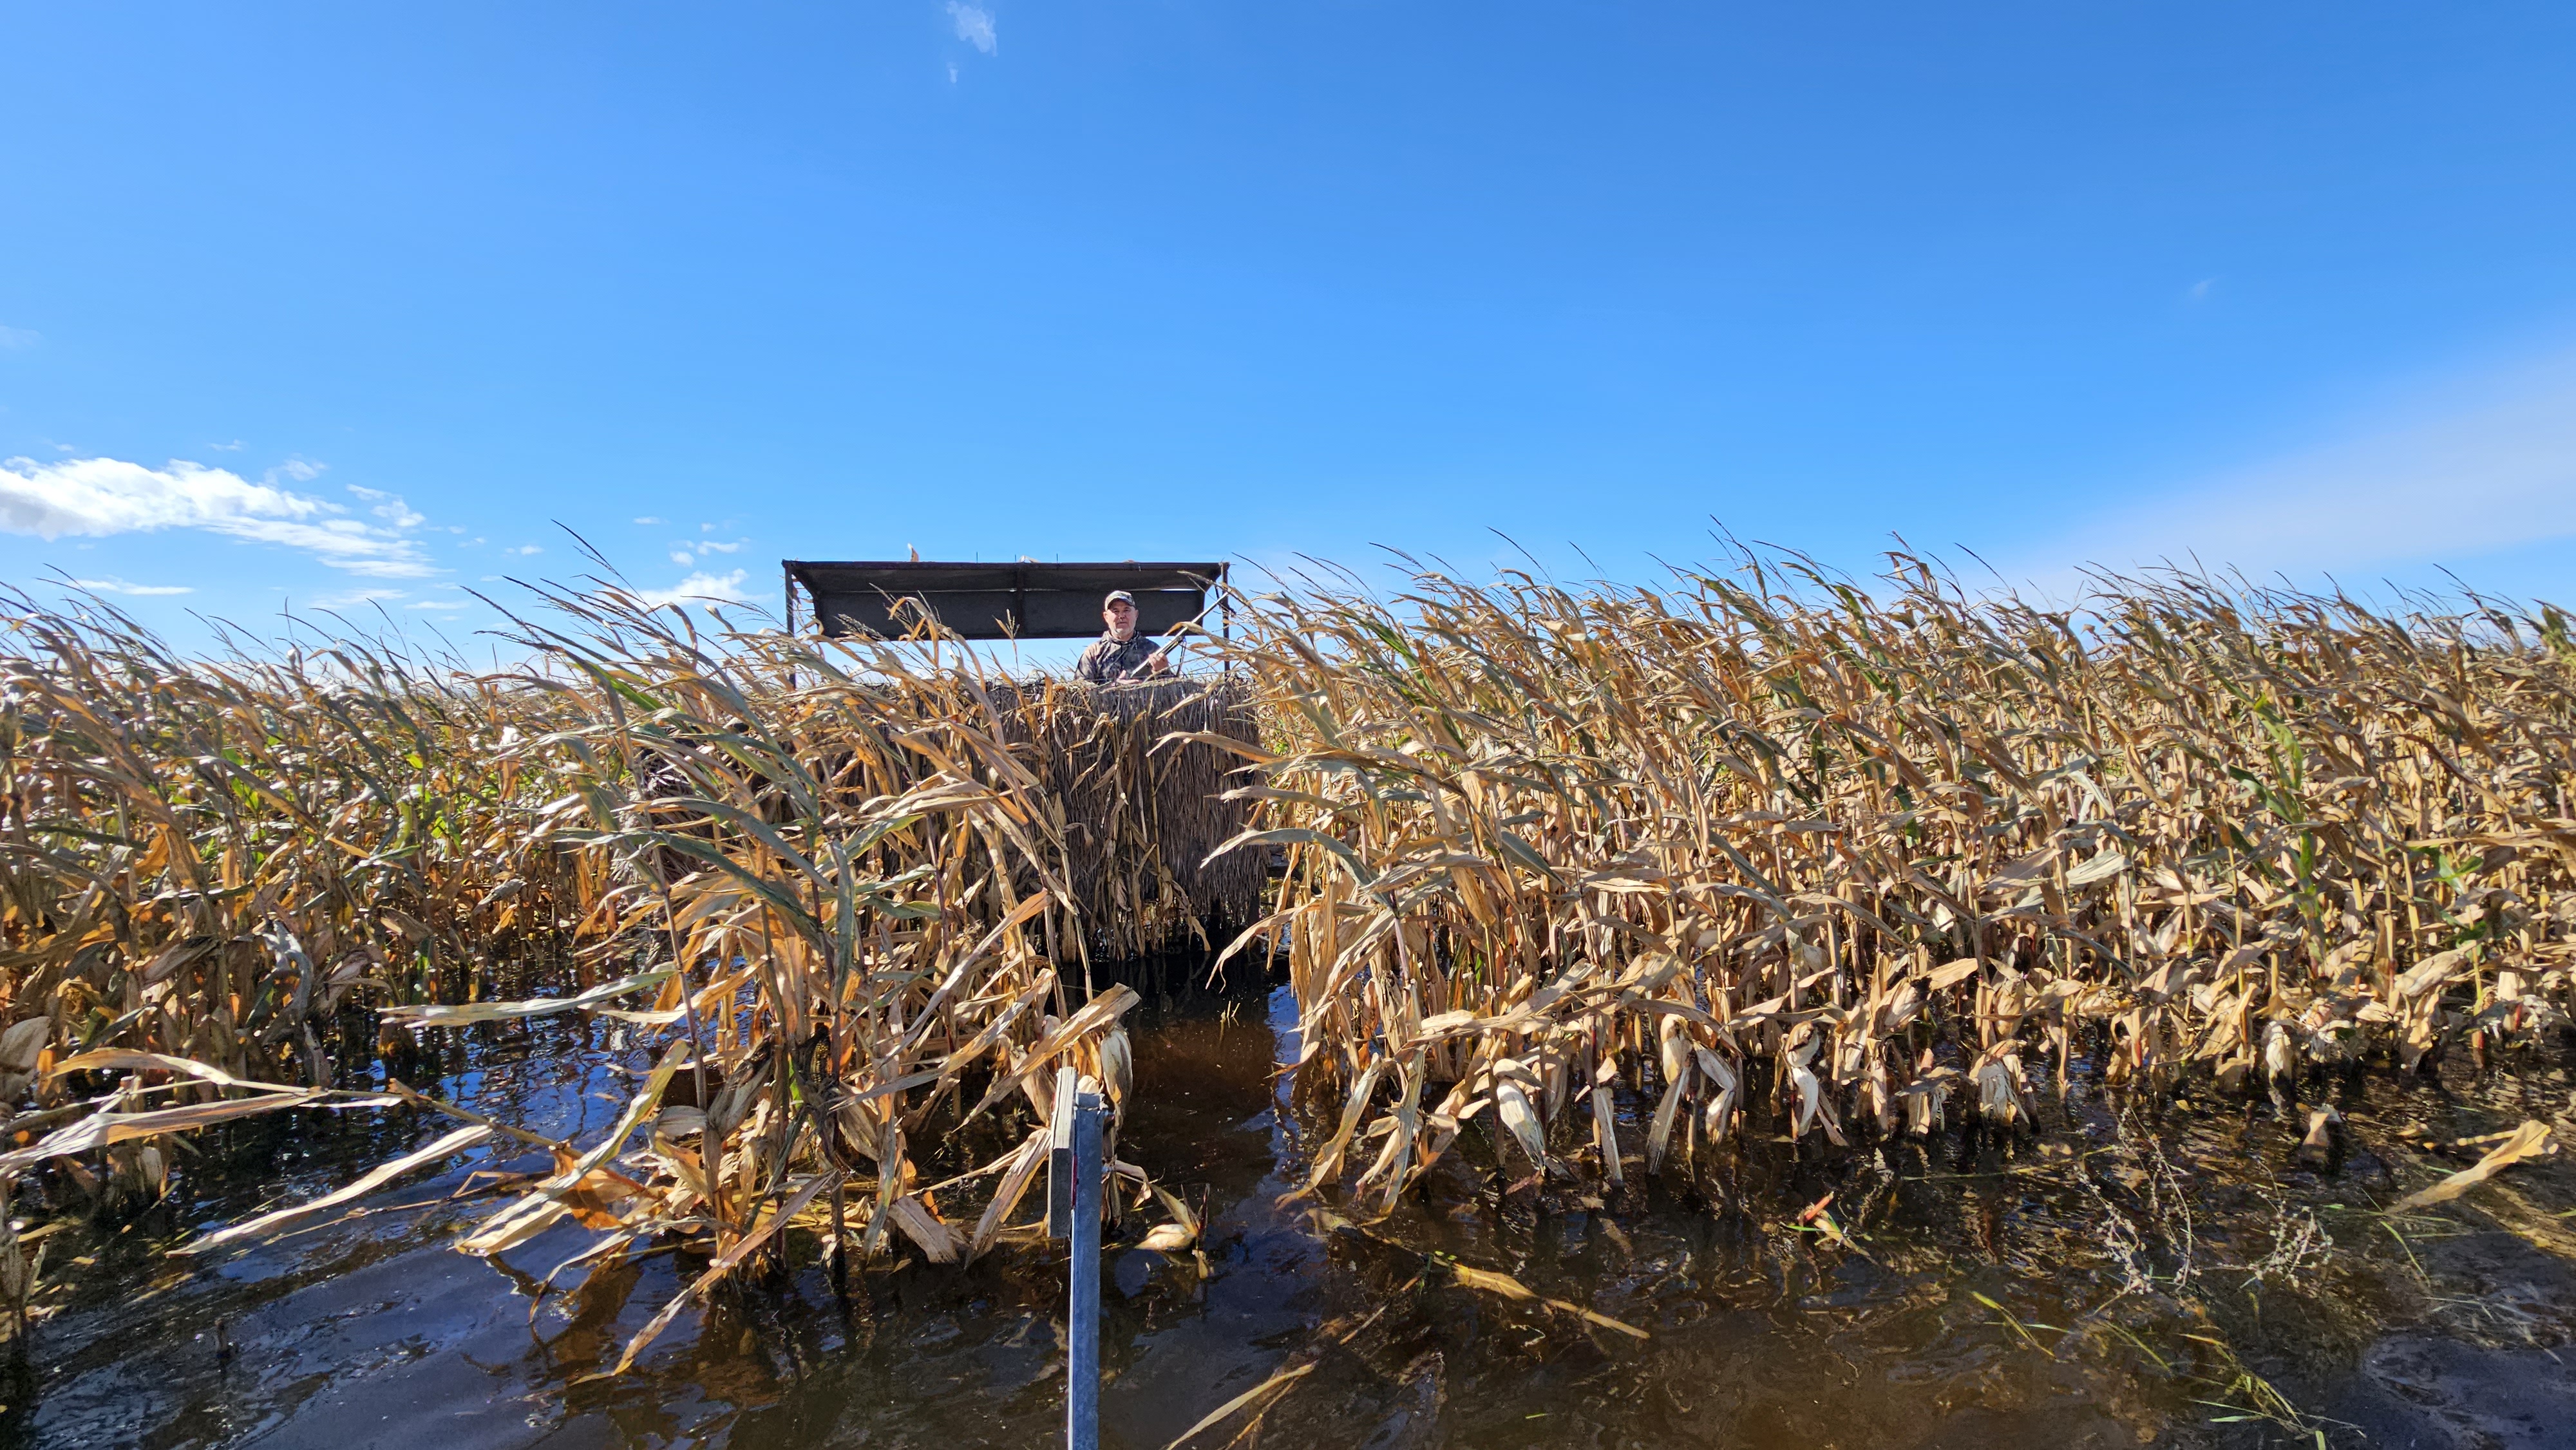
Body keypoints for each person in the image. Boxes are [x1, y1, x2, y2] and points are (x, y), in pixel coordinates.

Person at [1075, 590, 1173, 683]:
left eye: (1126, 610)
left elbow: (1174, 692)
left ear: (1136, 615)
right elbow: (1080, 692)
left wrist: (1163, 673)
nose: (1121, 616)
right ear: (1106, 617)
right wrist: (1114, 688)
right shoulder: (1094, 652)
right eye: (1116, 611)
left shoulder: (1153, 650)